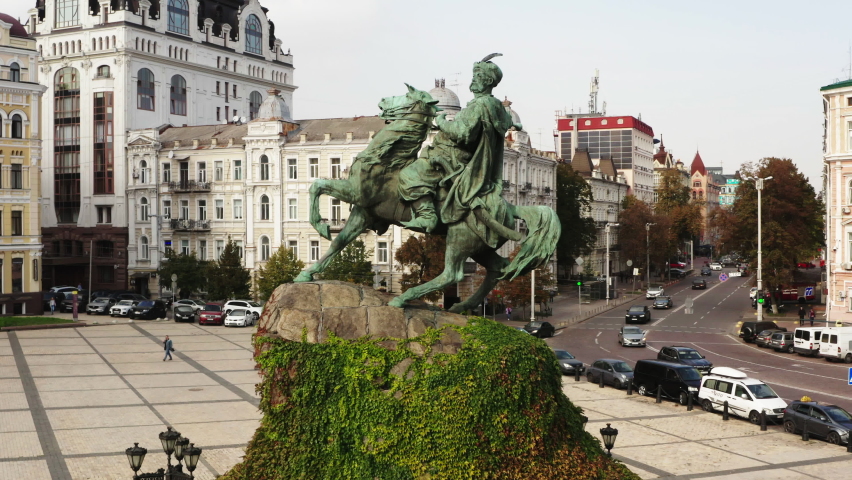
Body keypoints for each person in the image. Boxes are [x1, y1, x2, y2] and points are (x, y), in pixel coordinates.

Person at [398, 54, 516, 236]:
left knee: (409, 174)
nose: (473, 81)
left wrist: (442, 122)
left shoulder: (479, 105)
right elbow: (508, 121)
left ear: (488, 81)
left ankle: (427, 215)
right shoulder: (495, 105)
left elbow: (463, 133)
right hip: (461, 156)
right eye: (474, 76)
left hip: (454, 157)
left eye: (478, 77)